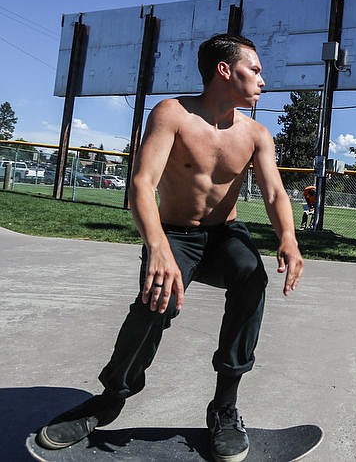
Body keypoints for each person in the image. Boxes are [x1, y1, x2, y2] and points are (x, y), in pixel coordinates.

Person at [37, 34, 304, 462]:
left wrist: (288, 239)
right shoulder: (172, 114)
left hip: (224, 236)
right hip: (174, 234)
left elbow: (275, 194)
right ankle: (110, 398)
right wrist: (157, 247)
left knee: (252, 278)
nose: (262, 80)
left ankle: (224, 407)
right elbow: (141, 183)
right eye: (254, 69)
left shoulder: (256, 134)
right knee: (156, 303)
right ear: (224, 70)